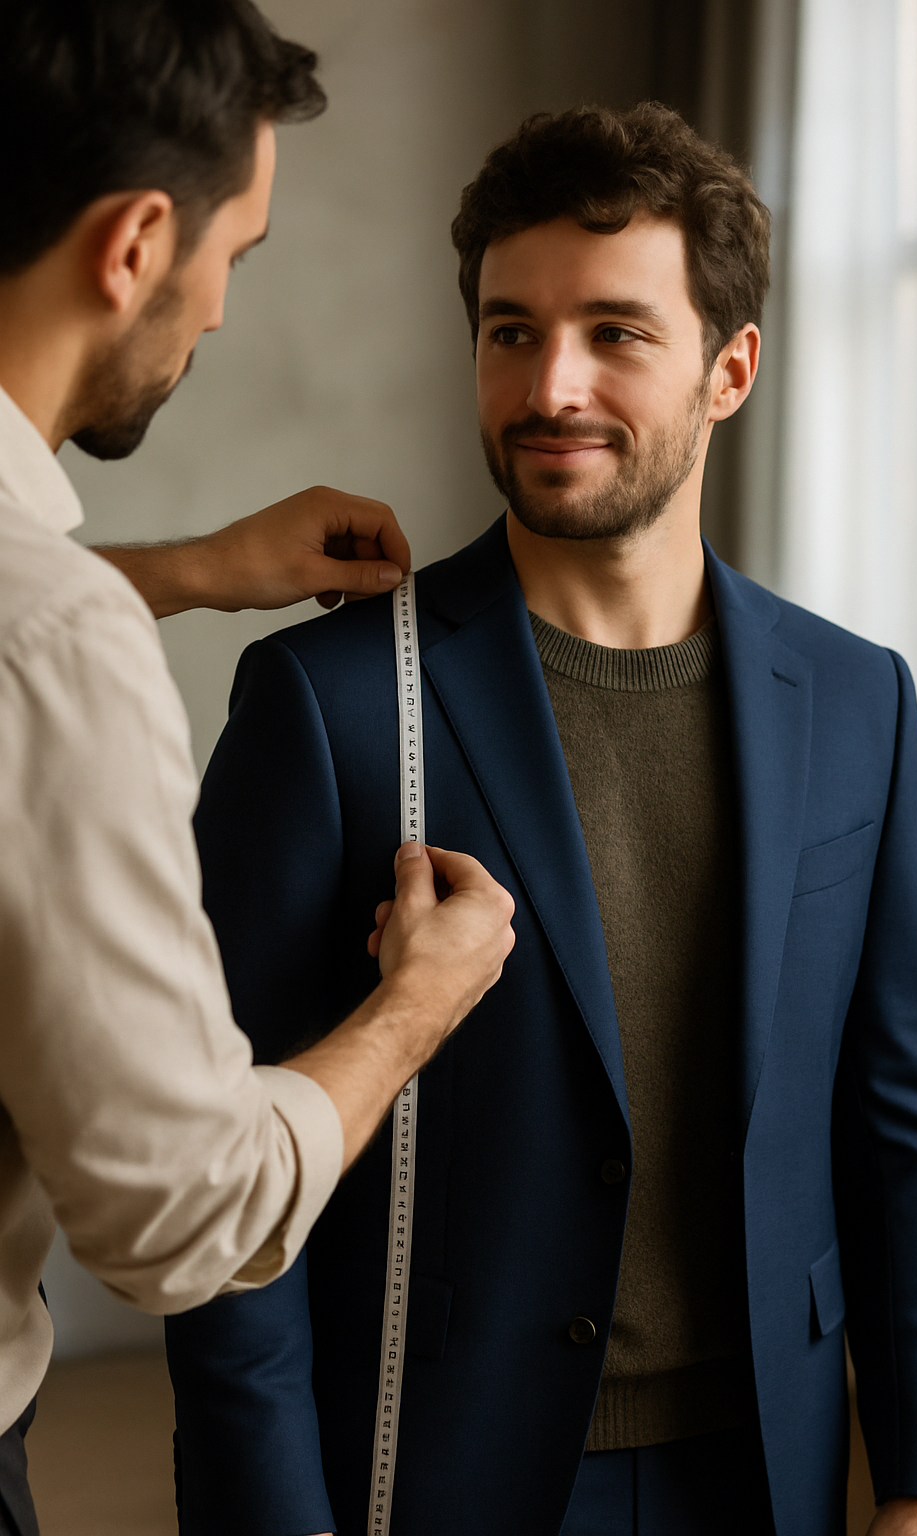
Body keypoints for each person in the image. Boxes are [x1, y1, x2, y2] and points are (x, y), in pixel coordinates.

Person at [164, 105, 917, 1536]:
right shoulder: (331, 703)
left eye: (616, 332)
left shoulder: (859, 701)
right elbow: (224, 1187)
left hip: (767, 1473)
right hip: (447, 1474)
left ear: (730, 369)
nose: (551, 385)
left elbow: (905, 1123)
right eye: (509, 330)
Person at [0, 3, 516, 1533]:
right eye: (239, 250)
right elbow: (184, 1216)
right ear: (137, 240)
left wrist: (172, 569)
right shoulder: (57, 647)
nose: (221, 310)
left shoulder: (55, 620)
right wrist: (422, 998)